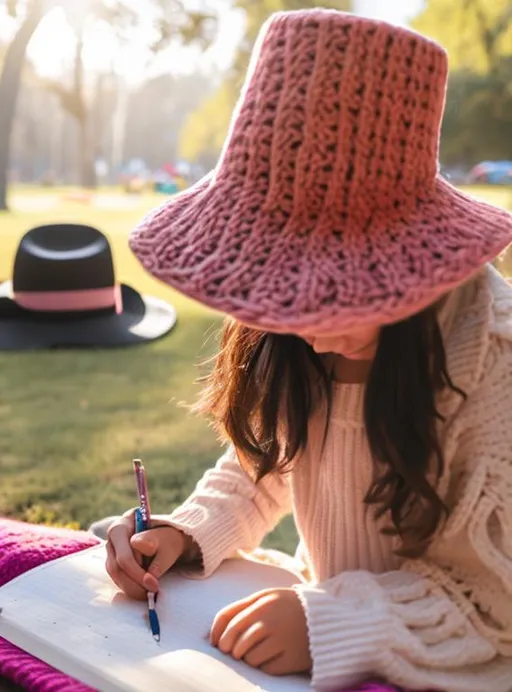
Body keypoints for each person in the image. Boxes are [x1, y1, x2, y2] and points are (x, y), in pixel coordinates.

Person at [99, 9, 512, 692]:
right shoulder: (290, 341)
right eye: (282, 287)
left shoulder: (490, 363)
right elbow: (264, 464)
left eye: (335, 294)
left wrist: (338, 623)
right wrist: (184, 532)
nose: (308, 330)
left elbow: (491, 600)